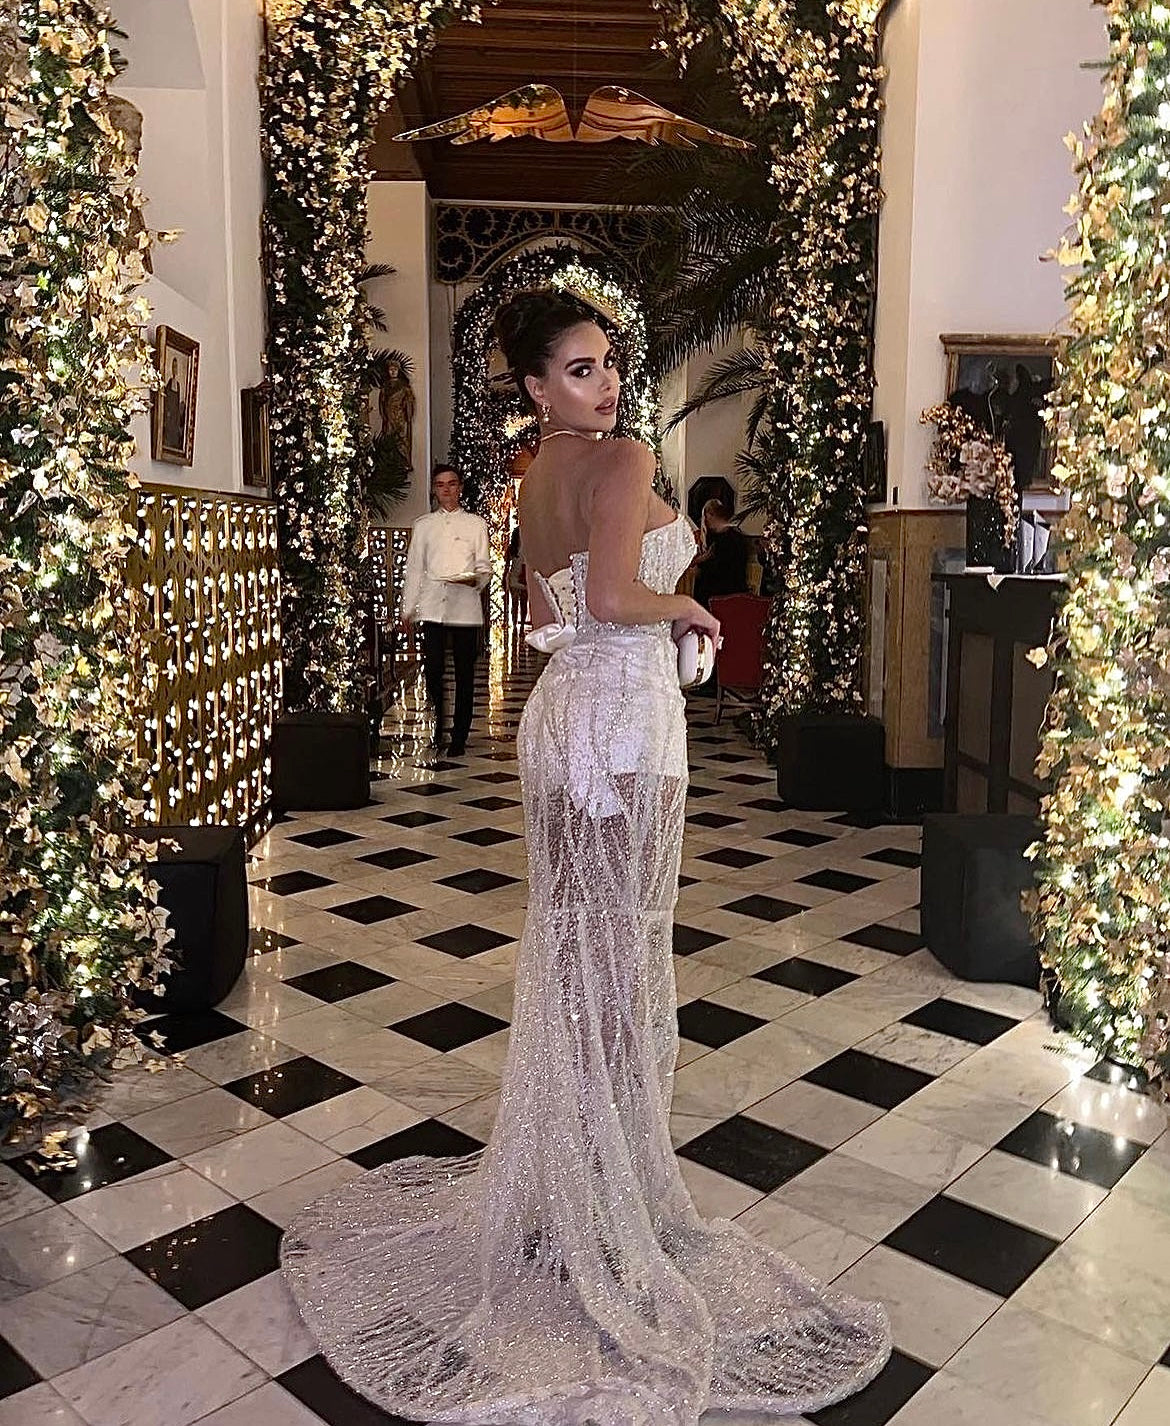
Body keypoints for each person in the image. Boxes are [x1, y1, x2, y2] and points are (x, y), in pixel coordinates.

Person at [283, 290, 890, 1424]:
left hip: (567, 715)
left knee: (578, 949)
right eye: (577, 368)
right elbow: (611, 595)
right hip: (620, 720)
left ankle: (576, 1185)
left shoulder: (534, 475)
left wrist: (631, 615)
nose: (604, 384)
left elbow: (547, 608)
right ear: (534, 385)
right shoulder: (618, 461)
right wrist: (689, 612)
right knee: (615, 955)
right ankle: (602, 1203)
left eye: (608, 362)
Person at [399, 464, 490, 756]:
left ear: (460, 487)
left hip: (465, 608)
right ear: (434, 490)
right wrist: (407, 609)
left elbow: (484, 566)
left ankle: (459, 735)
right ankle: (438, 726)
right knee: (434, 671)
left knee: (465, 674)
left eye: (451, 484)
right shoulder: (424, 525)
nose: (447, 490)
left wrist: (475, 580)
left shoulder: (476, 525)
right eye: (440, 485)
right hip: (432, 607)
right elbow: (415, 569)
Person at [693, 497, 750, 608]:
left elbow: (717, 570)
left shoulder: (726, 540)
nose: (705, 521)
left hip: (718, 597)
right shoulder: (736, 537)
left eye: (706, 517)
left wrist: (701, 564)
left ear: (710, 515)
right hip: (733, 595)